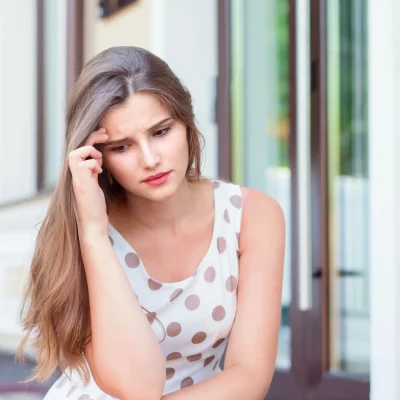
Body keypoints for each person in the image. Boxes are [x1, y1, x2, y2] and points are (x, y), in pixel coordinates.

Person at [18, 46, 285, 400]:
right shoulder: (81, 232)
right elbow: (138, 388)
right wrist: (95, 235)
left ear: (186, 121)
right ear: (97, 157)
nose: (150, 159)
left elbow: (249, 376)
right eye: (122, 147)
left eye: (160, 132)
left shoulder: (252, 216)